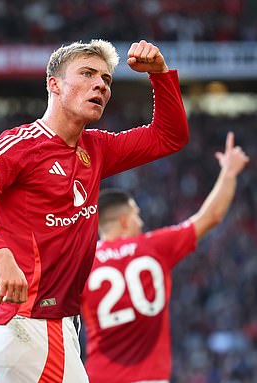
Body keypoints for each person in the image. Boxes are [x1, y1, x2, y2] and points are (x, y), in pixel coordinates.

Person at [0, 39, 189, 383]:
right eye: (87, 74)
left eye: (105, 79)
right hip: (28, 324)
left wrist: (160, 74)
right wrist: (0, 254)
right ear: (54, 84)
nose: (100, 84)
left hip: (57, 327)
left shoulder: (97, 148)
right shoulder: (20, 144)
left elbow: (169, 137)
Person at [80, 132, 249, 383]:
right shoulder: (154, 246)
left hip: (99, 376)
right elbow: (210, 217)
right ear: (125, 220)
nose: (142, 220)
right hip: (150, 377)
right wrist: (229, 173)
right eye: (137, 214)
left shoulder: (82, 262)